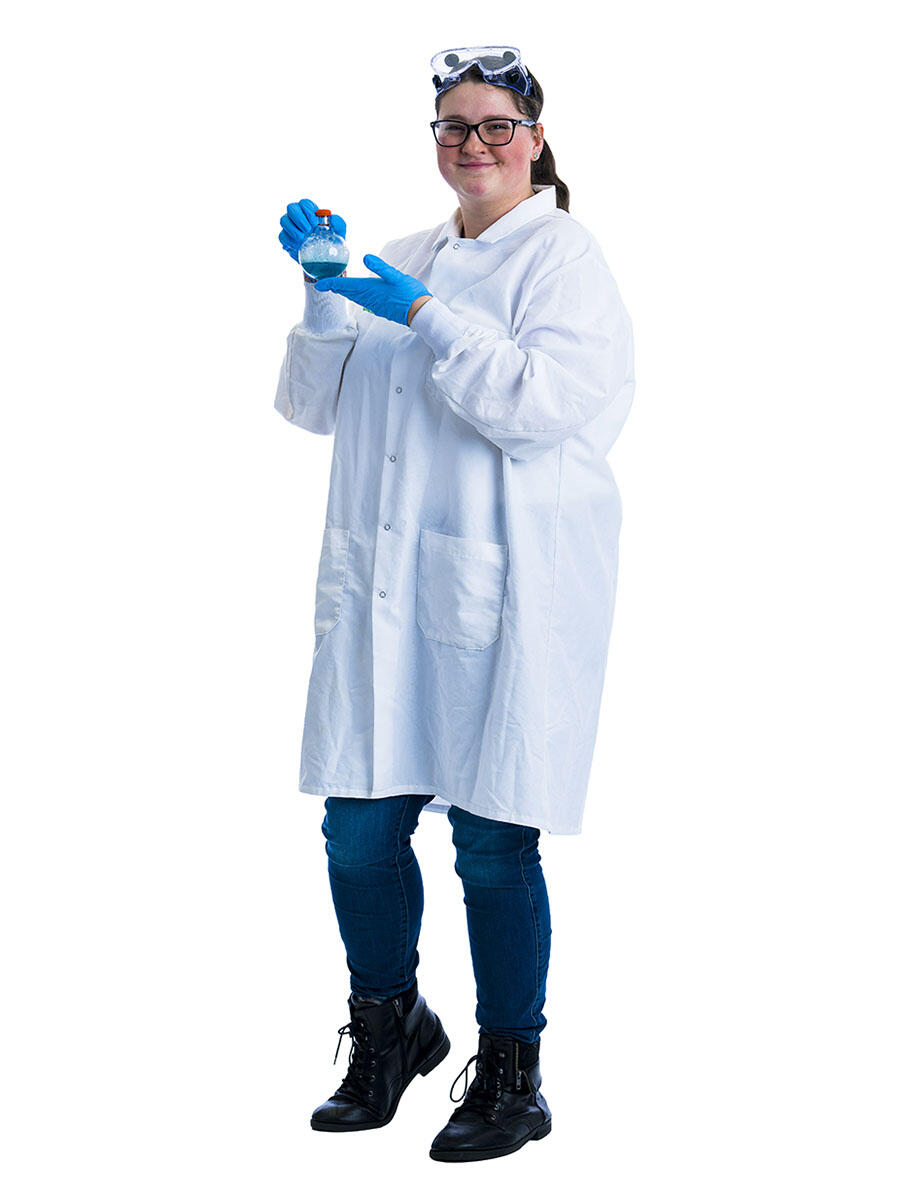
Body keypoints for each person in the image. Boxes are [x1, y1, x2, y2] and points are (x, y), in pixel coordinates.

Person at [274, 45, 635, 1163]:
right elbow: (305, 408)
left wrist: (423, 312)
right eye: (451, 126)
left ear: (534, 135)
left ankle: (513, 1075)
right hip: (385, 596)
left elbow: (539, 406)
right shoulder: (395, 255)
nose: (471, 145)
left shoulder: (563, 260)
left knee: (490, 842)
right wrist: (325, 293)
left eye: (493, 125)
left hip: (508, 591)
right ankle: (390, 1031)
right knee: (357, 830)